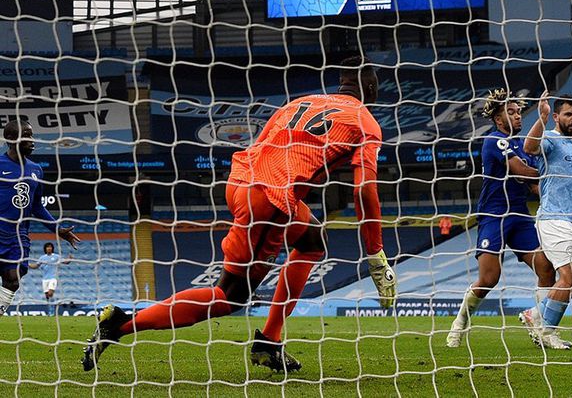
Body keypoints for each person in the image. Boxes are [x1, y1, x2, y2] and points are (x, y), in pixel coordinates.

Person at [82, 57, 397, 373]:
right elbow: (364, 190)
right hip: (269, 199)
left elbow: (261, 147)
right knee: (229, 297)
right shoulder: (364, 121)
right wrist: (375, 254)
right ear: (370, 88)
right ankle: (119, 325)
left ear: (341, 83)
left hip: (242, 181)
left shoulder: (301, 102)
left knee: (313, 240)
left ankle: (270, 341)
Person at [446, 89, 555, 348]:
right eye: (512, 112)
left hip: (519, 215)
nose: (518, 117)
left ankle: (540, 326)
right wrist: (555, 174)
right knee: (489, 278)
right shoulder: (494, 140)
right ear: (498, 118)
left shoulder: (523, 146)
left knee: (546, 268)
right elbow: (520, 171)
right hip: (494, 215)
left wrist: (562, 194)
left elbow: (532, 186)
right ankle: (460, 322)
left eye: (519, 112)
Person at [522, 93, 572, 350]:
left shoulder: (570, 146)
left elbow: (561, 177)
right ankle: (547, 330)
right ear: (556, 117)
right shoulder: (551, 138)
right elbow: (529, 148)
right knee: (569, 276)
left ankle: (536, 313)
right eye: (568, 114)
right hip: (553, 219)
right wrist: (540, 118)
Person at [0, 120, 80, 316]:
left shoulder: (36, 169)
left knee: (14, 278)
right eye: (27, 135)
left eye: (32, 135)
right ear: (11, 139)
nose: (32, 140)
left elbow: (36, 205)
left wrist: (57, 229)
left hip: (18, 235)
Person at [29, 242, 72, 314]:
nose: (49, 248)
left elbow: (65, 262)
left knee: (50, 293)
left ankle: (53, 310)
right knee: (47, 296)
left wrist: (70, 259)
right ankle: (50, 309)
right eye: (47, 247)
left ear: (52, 248)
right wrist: (28, 265)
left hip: (53, 278)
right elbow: (36, 266)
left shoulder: (56, 256)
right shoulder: (42, 258)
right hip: (45, 279)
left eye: (50, 247)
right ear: (45, 249)